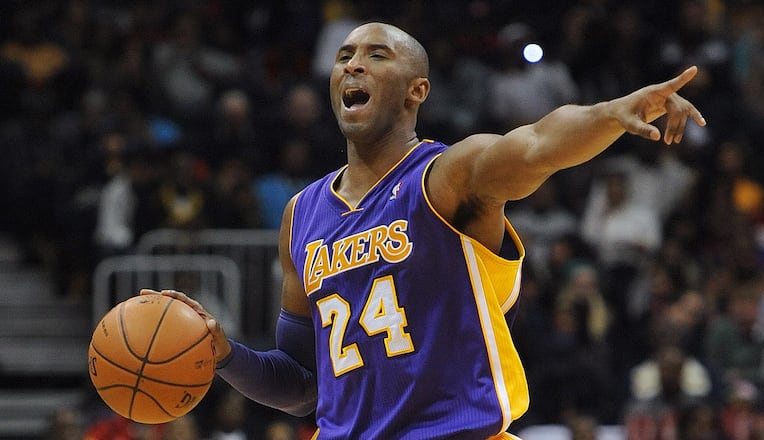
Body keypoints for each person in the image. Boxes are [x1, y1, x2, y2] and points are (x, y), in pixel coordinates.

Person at [142, 22, 705, 439]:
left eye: (376, 55)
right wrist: (225, 355)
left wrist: (610, 113)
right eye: (344, 56)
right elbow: (305, 386)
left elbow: (537, 144)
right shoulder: (302, 214)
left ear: (417, 90)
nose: (353, 65)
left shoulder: (446, 177)